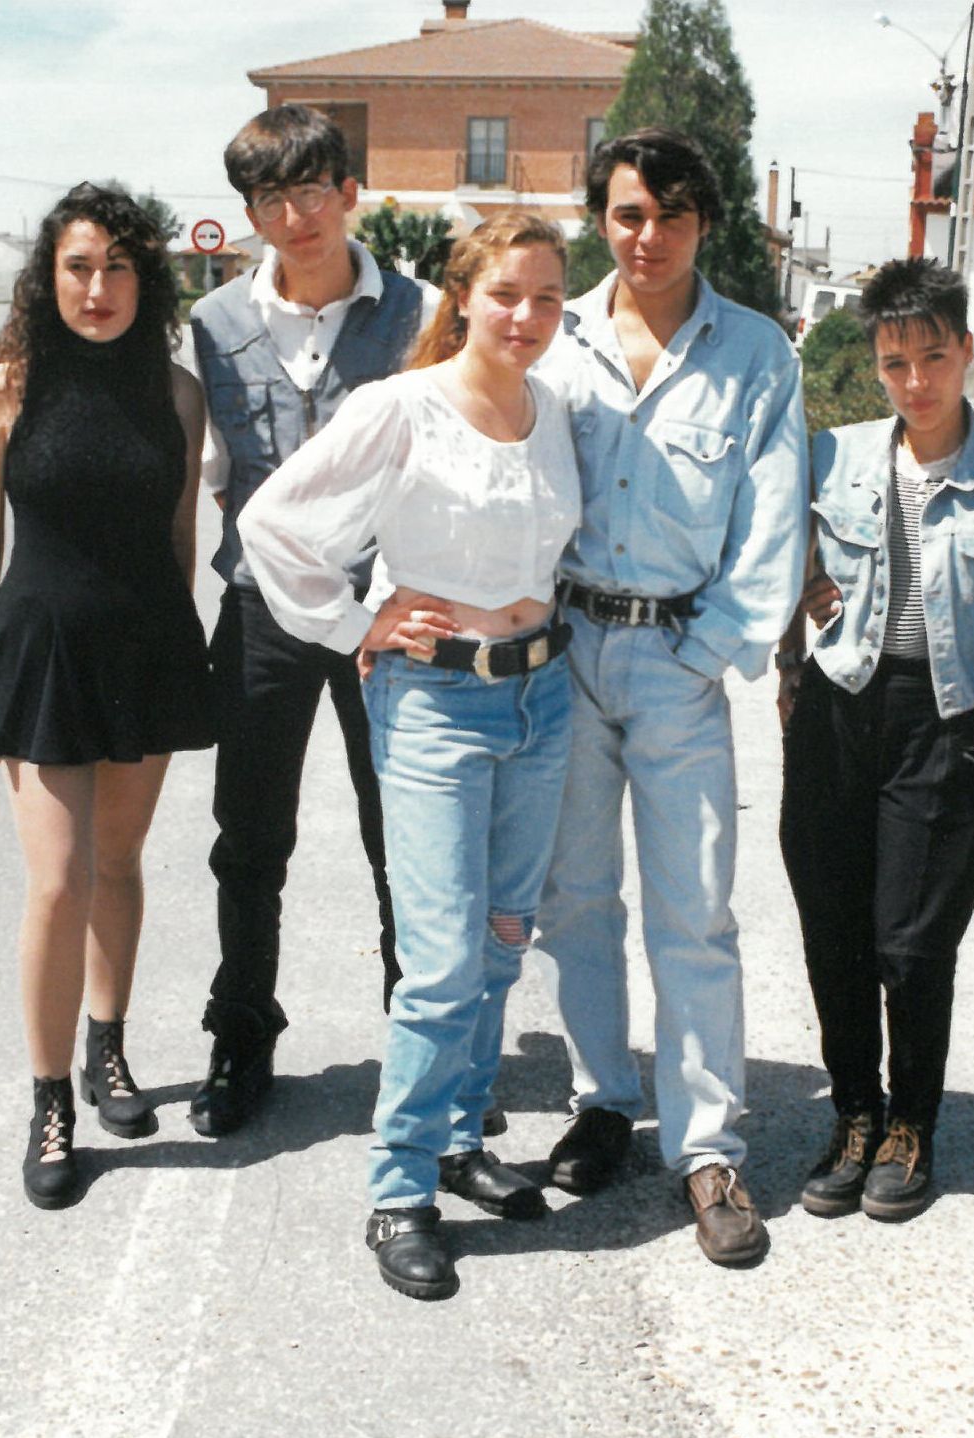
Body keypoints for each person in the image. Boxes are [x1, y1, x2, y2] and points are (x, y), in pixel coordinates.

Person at [238, 213, 581, 1301]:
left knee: (501, 942)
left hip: (541, 699)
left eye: (545, 297)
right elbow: (273, 523)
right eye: (505, 294)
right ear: (462, 295)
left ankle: (456, 1141)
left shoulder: (552, 409)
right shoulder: (401, 407)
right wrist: (357, 624)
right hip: (436, 703)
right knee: (437, 966)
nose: (525, 315)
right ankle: (398, 1193)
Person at [532, 128, 808, 1267]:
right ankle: (602, 1100)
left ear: (706, 223)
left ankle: (706, 1150)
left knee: (693, 910)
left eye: (673, 216)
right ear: (601, 218)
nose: (649, 237)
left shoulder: (755, 353)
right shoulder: (553, 337)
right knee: (575, 899)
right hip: (563, 649)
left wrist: (709, 652)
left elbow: (772, 524)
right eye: (629, 215)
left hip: (677, 659)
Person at [0, 183, 215, 1210]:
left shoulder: (176, 393)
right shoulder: (4, 390)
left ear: (145, 282)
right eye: (77, 267)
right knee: (59, 880)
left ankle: (109, 1048)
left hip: (145, 644)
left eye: (117, 268)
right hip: (41, 653)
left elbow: (181, 537)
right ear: (47, 275)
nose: (96, 288)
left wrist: (176, 646)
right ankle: (50, 1097)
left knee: (119, 862)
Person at [186, 105, 432, 1139]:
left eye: (311, 191)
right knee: (248, 841)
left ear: (349, 194)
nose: (295, 217)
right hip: (263, 616)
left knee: (403, 838)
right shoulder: (211, 325)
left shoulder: (421, 314)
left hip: (386, 619)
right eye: (269, 199)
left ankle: (419, 1048)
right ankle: (242, 1034)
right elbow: (211, 476)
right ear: (249, 214)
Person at [775, 258, 974, 1223]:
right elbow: (768, 551)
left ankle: (911, 1123)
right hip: (837, 711)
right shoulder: (832, 457)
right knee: (833, 930)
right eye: (894, 364)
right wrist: (791, 636)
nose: (915, 382)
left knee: (913, 943)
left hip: (940, 719)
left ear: (966, 351)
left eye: (933, 358)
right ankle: (854, 1116)